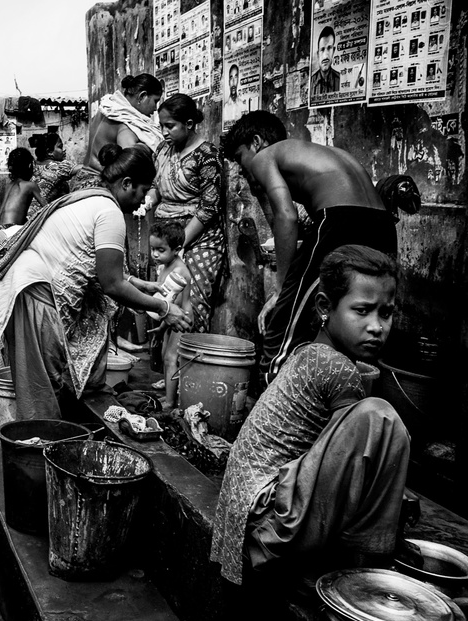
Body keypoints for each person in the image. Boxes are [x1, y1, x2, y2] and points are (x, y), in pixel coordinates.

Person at [210, 245, 410, 585]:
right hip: (268, 523)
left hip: (248, 514)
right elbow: (358, 463)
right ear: (324, 307)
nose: (377, 326)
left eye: (386, 313)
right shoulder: (335, 368)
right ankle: (364, 566)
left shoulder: (310, 353)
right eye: (362, 311)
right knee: (381, 418)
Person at [0, 144, 193, 420]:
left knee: (41, 385)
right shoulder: (110, 212)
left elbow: (93, 262)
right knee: (43, 391)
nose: (146, 199)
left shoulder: (88, 199)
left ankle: (42, 442)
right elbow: (111, 284)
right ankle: (40, 448)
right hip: (38, 294)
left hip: (29, 289)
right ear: (127, 184)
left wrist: (137, 284)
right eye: (144, 190)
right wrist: (164, 308)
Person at [223, 111, 396, 384]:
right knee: (349, 317)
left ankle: (272, 394)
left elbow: (286, 216)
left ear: (256, 142)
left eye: (239, 158)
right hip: (383, 224)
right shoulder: (312, 153)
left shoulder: (264, 157)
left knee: (284, 319)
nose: (243, 171)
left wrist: (281, 289)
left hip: (340, 219)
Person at [145, 93, 225, 333]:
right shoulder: (162, 150)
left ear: (189, 124)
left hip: (198, 238)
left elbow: (209, 207)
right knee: (162, 299)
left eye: (170, 126)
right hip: (166, 240)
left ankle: (189, 366)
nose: (164, 132)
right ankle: (167, 366)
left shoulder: (207, 155)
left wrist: (180, 243)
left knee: (191, 304)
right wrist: (150, 199)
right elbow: (156, 185)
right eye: (162, 126)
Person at [83, 74, 164, 178]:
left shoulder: (105, 110)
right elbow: (131, 165)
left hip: (82, 178)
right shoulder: (126, 124)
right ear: (142, 96)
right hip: (100, 183)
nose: (155, 109)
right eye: (155, 101)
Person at [147, 222, 191, 410]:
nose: (155, 254)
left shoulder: (178, 271)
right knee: (166, 356)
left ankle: (172, 402)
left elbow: (177, 304)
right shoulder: (166, 265)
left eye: (160, 250)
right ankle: (169, 396)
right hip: (172, 317)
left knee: (171, 358)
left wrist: (164, 325)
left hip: (182, 319)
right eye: (153, 249)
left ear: (177, 250)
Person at [26, 132, 81, 220]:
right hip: (40, 220)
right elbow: (86, 169)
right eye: (60, 147)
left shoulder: (33, 166)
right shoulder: (58, 167)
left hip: (26, 217)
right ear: (50, 151)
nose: (63, 150)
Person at [0, 148, 47, 226]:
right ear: (29, 166)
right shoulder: (30, 186)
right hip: (9, 230)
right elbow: (47, 207)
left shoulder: (7, 186)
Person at [311, 25, 341, 96]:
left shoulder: (340, 80)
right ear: (318, 54)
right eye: (322, 49)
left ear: (333, 51)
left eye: (329, 48)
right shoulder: (311, 82)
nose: (325, 55)